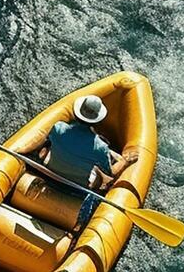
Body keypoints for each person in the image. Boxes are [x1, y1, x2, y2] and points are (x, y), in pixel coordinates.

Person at [31, 94, 137, 225]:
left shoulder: (58, 128)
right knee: (101, 179)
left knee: (48, 151)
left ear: (77, 113)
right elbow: (111, 173)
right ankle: (80, 224)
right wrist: (125, 161)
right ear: (97, 120)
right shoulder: (99, 147)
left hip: (51, 178)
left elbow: (50, 143)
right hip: (76, 191)